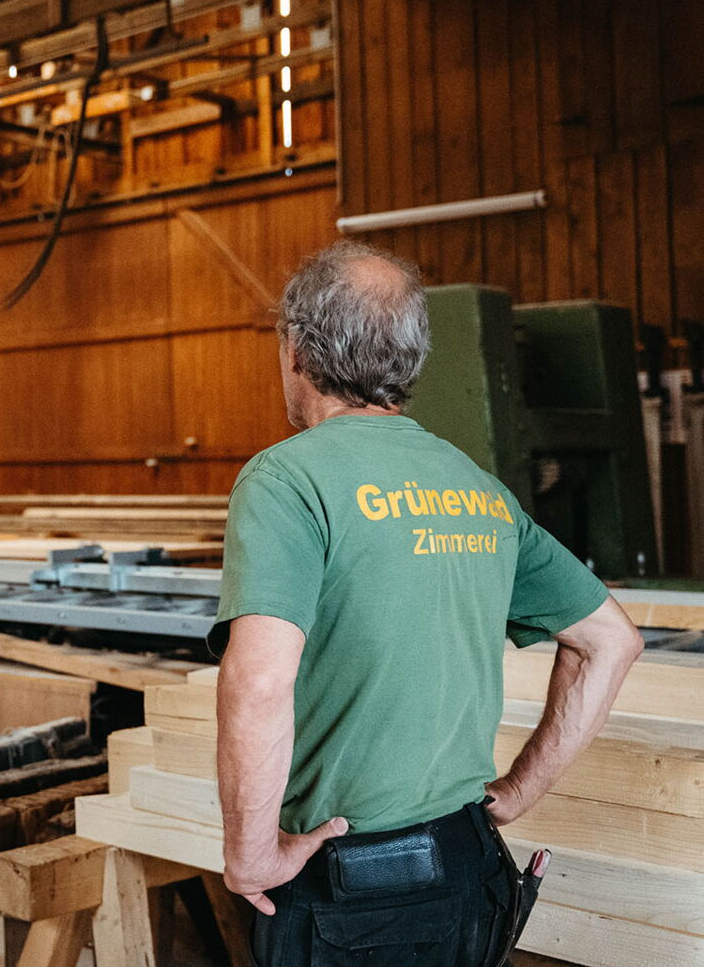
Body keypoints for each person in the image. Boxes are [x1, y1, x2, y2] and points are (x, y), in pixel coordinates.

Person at [211, 240, 643, 965]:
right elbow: (611, 641)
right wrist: (516, 793)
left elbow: (258, 679)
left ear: (296, 349)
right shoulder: (474, 486)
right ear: (409, 358)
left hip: (351, 893)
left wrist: (251, 854)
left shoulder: (285, 481)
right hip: (471, 871)